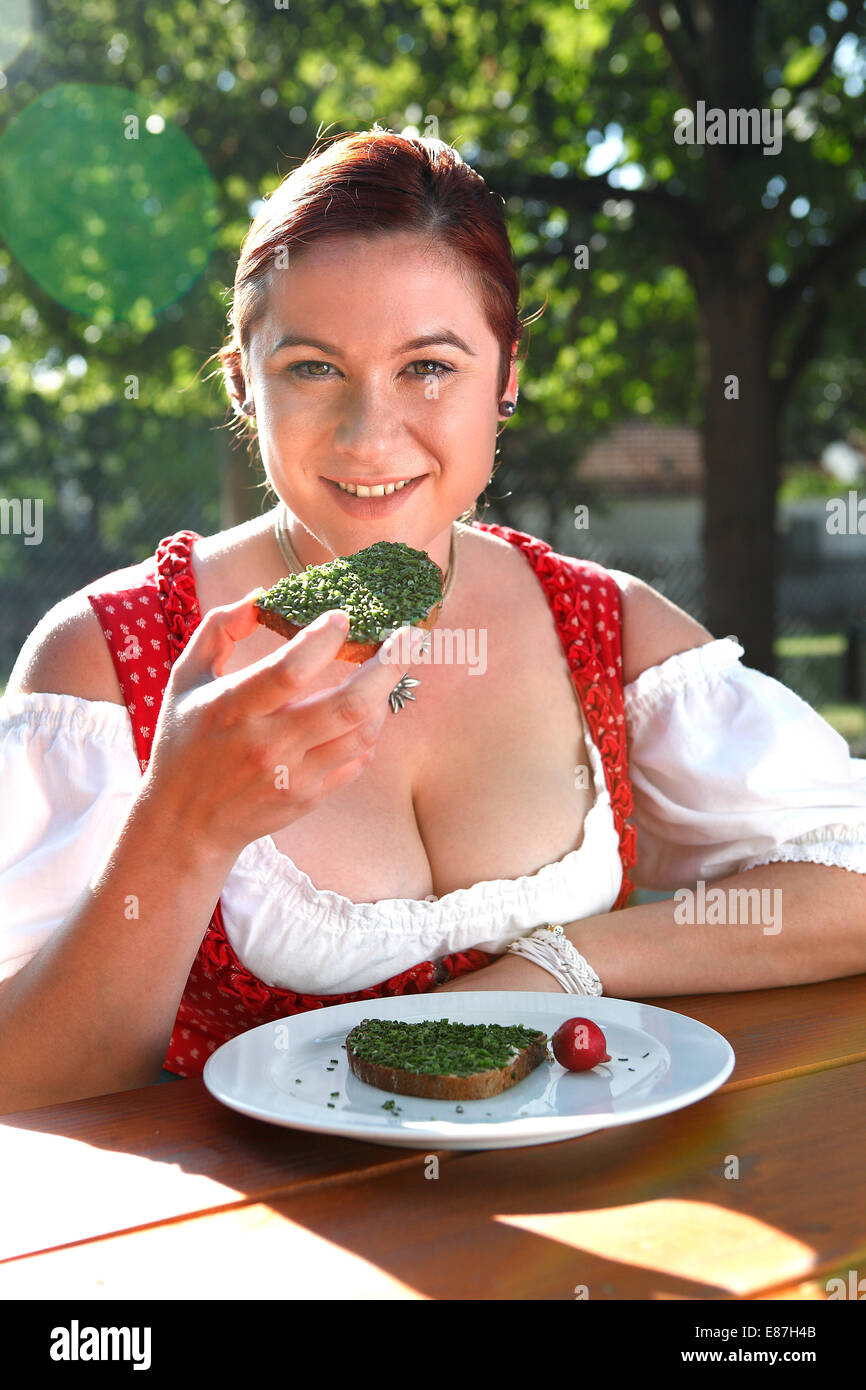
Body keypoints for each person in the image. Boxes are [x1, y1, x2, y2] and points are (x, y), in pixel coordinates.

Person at [1, 128, 865, 1114]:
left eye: (428, 367)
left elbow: (851, 881)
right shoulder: (107, 660)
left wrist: (557, 965)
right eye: (312, 368)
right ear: (243, 380)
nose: (371, 435)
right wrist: (183, 824)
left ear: (504, 376)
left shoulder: (604, 624)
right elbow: (21, 1081)